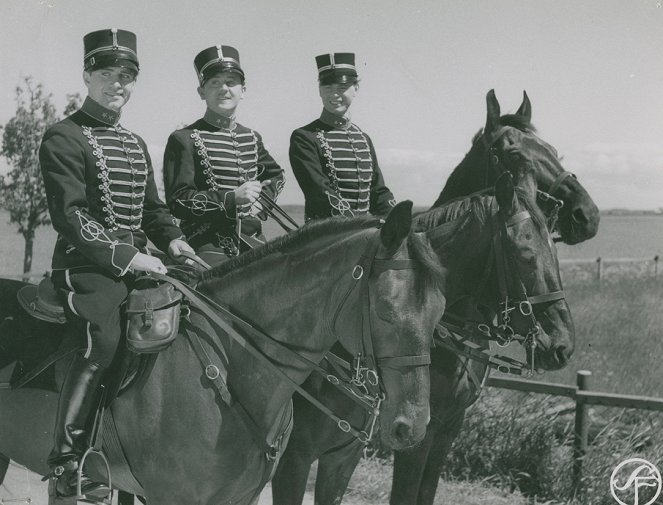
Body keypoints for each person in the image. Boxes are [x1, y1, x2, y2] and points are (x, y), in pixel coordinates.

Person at [39, 28, 194, 498]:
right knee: (104, 335)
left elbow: (152, 209)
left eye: (125, 77)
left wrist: (175, 242)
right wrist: (129, 257)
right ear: (87, 75)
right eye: (107, 74)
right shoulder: (63, 136)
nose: (116, 84)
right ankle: (67, 458)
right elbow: (71, 217)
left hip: (144, 260)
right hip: (87, 266)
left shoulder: (133, 142)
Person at [163, 45, 285, 265]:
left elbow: (277, 175)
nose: (224, 89)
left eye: (231, 82)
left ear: (243, 90)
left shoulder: (251, 137)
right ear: (202, 92)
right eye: (214, 83)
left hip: (254, 239)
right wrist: (231, 198)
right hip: (207, 244)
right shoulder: (184, 138)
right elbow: (178, 200)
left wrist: (261, 203)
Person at [289, 52, 396, 221]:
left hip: (363, 232)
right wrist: (361, 224)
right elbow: (320, 192)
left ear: (356, 89)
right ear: (319, 91)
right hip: (325, 236)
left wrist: (397, 219)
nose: (334, 95)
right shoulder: (305, 137)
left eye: (342, 87)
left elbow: (378, 191)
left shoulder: (363, 139)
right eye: (327, 88)